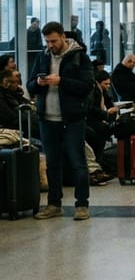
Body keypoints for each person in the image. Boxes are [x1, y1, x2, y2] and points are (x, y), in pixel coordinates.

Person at [27, 22, 94, 221]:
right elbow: (30, 85)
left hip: (72, 118)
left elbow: (86, 86)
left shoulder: (79, 57)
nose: (50, 45)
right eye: (47, 41)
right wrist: (38, 83)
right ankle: (53, 203)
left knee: (77, 161)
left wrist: (62, 81)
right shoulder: (43, 56)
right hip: (47, 118)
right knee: (52, 164)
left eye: (54, 41)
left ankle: (82, 204)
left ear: (63, 37)